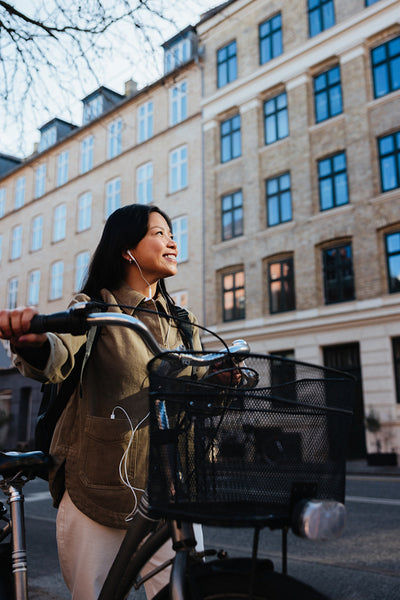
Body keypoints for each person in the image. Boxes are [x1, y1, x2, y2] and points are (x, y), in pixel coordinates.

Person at [0, 204, 204, 599]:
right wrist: (36, 342)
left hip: (169, 488)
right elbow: (59, 355)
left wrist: (218, 377)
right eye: (159, 233)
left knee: (188, 592)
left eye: (171, 233)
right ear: (127, 249)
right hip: (99, 486)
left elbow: (195, 386)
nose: (172, 241)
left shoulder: (182, 320)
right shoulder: (95, 308)